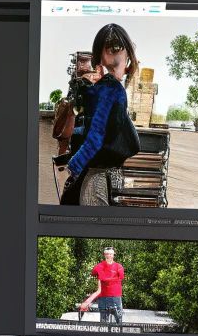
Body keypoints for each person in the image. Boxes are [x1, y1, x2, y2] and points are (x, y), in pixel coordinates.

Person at [53, 23, 140, 206]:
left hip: (94, 173)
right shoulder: (110, 88)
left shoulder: (105, 89)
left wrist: (74, 165)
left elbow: (92, 132)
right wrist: (75, 165)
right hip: (96, 175)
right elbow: (95, 136)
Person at [50, 52, 99, 157]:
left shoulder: (87, 79)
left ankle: (61, 162)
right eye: (80, 61)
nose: (80, 65)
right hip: (78, 124)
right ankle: (61, 162)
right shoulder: (80, 80)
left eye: (84, 61)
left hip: (82, 125)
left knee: (68, 141)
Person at [77, 246, 125, 324]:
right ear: (104, 255)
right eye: (107, 254)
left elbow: (121, 277)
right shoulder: (100, 266)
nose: (109, 256)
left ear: (113, 255)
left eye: (110, 254)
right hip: (103, 296)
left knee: (118, 319)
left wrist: (105, 279)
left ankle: (118, 333)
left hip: (115, 295)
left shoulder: (118, 266)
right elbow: (93, 272)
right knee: (103, 320)